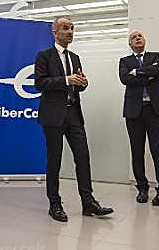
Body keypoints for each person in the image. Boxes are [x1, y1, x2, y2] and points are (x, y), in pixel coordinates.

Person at [34, 16, 113, 222]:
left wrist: (83, 83)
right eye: (65, 28)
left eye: (72, 28)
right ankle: (54, 204)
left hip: (74, 114)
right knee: (54, 160)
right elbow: (39, 84)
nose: (70, 31)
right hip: (53, 115)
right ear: (55, 32)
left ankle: (88, 202)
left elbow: (76, 86)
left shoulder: (75, 57)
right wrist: (66, 80)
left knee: (83, 157)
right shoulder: (44, 56)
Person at [118, 30, 159, 206]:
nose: (137, 38)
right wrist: (147, 76)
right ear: (130, 44)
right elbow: (125, 79)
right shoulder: (124, 61)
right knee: (137, 151)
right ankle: (142, 188)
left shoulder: (154, 56)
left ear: (144, 40)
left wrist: (136, 72)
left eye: (140, 36)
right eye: (133, 37)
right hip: (134, 112)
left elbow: (158, 69)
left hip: (154, 110)